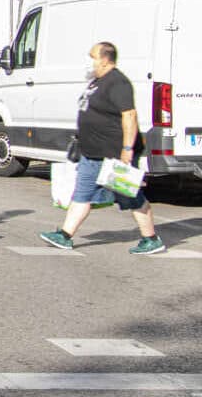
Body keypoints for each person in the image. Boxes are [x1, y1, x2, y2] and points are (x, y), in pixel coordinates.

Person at [40, 42, 165, 254]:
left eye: (92, 56)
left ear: (105, 59)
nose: (88, 61)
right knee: (82, 193)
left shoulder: (118, 82)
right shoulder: (97, 82)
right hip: (91, 153)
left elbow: (129, 115)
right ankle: (64, 235)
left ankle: (151, 239)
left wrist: (127, 149)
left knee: (130, 196)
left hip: (113, 154)